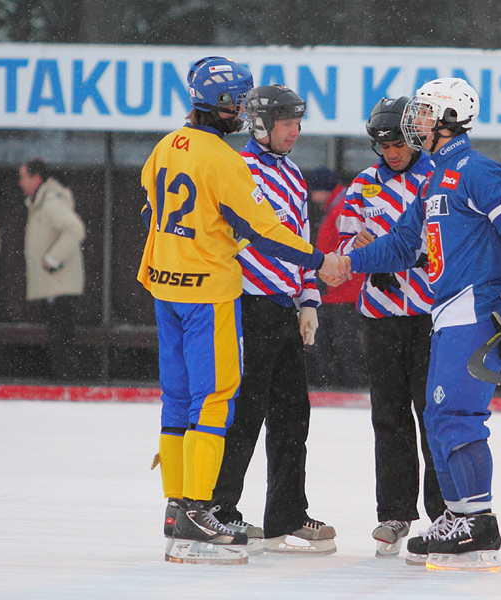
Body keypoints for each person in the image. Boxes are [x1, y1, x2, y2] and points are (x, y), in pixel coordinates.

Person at [138, 56, 342, 564]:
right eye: (239, 104)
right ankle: (203, 511)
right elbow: (267, 231)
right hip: (213, 293)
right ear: (227, 107)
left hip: (167, 287)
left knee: (180, 400)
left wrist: (306, 295)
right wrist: (321, 262)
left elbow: (151, 208)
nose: (243, 113)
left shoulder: (165, 146)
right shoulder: (226, 161)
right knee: (217, 401)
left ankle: (180, 507)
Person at [338, 77, 501, 571]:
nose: (416, 122)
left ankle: (477, 523)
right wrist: (346, 263)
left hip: (476, 306)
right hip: (445, 311)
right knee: (436, 419)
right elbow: (404, 244)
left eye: (426, 113)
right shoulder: (433, 177)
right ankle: (456, 514)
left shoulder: (478, 169)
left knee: (457, 417)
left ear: (450, 119)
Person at [210, 84, 336, 555]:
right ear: (260, 124)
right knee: (244, 413)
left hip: (283, 307)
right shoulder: (238, 171)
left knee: (292, 414)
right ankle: (220, 511)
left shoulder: (296, 174)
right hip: (247, 306)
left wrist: (308, 301)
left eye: (298, 123)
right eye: (287, 123)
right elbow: (253, 239)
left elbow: (300, 239)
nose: (295, 132)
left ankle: (286, 515)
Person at [338, 96, 445, 556]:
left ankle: (444, 511)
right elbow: (343, 239)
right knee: (389, 415)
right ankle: (395, 512)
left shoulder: (436, 177)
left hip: (428, 315)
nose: (392, 153)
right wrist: (354, 243)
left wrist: (415, 254)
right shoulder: (363, 184)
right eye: (383, 145)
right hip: (380, 313)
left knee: (434, 415)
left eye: (400, 142)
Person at [18, 158, 85, 382]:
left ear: (37, 178)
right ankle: (63, 381)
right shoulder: (41, 202)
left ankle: (65, 383)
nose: (20, 183)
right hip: (55, 285)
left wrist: (52, 259)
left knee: (61, 338)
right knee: (59, 337)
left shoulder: (50, 203)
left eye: (23, 177)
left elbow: (75, 229)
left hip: (60, 285)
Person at [308, 167, 367, 390]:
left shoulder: (340, 210)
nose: (312, 196)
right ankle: (346, 381)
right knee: (342, 338)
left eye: (314, 190)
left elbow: (346, 248)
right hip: (339, 288)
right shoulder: (337, 207)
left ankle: (349, 383)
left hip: (343, 289)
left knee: (344, 339)